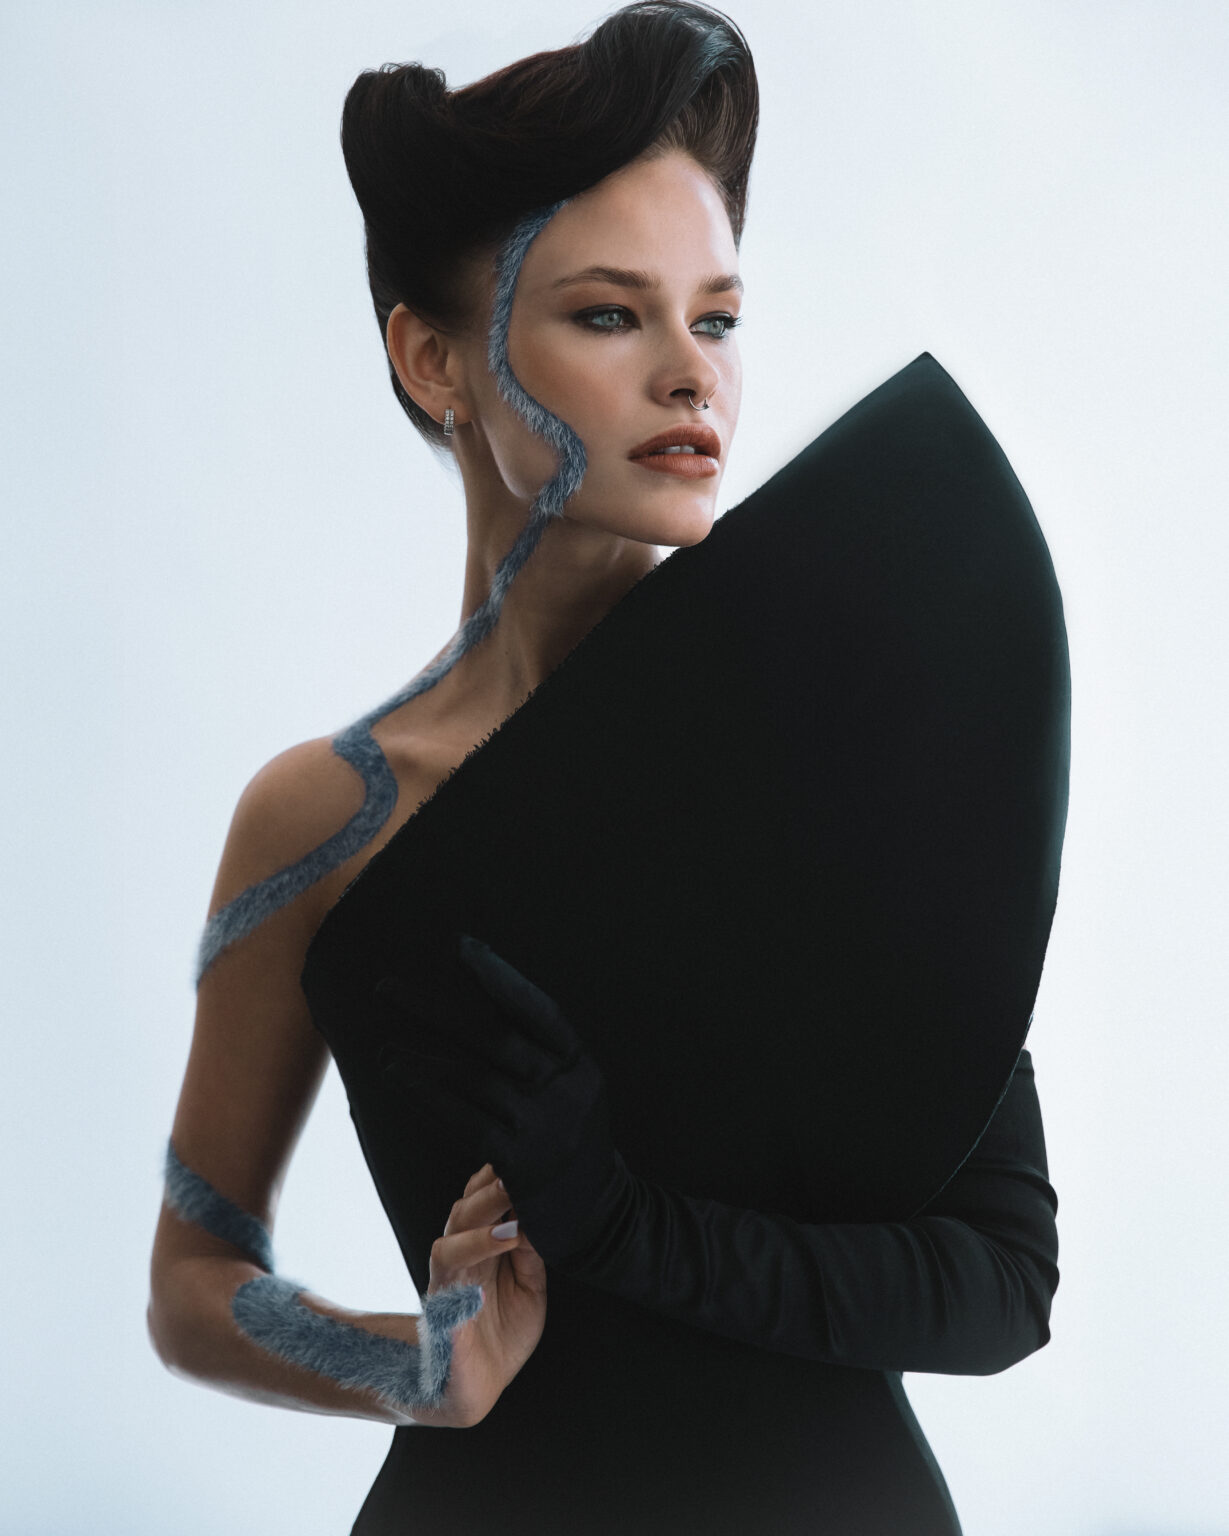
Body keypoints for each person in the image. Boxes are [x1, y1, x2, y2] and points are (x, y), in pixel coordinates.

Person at [148, 4, 1067, 1531]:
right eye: (606, 316)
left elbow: (999, 1285)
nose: (690, 375)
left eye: (715, 319)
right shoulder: (323, 820)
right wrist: (411, 1368)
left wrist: (627, 1231)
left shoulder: (833, 733)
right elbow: (191, 1283)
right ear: (432, 359)